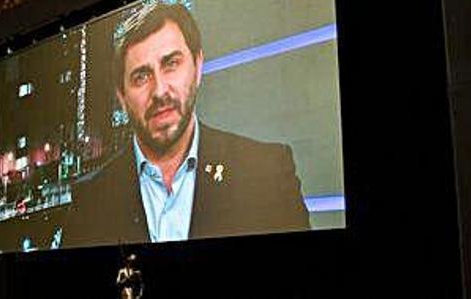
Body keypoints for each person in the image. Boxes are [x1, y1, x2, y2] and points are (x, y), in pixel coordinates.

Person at [64, 2, 309, 248]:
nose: (159, 91)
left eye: (171, 64)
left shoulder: (267, 171)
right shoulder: (89, 200)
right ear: (122, 96)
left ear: (198, 66)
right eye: (141, 76)